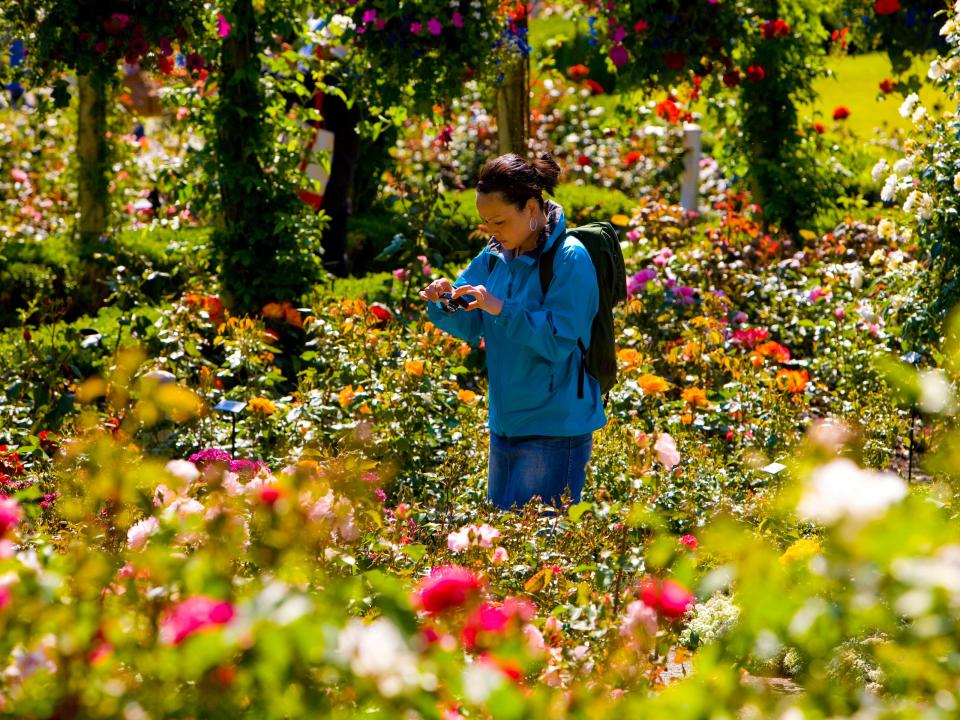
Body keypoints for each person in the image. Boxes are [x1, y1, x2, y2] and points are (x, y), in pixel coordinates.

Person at [419, 153, 606, 510]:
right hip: (506, 426)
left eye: (499, 221)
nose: (491, 231)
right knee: (503, 547)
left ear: (532, 209)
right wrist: (443, 300)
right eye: (486, 222)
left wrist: (500, 308)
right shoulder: (495, 254)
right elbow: (471, 324)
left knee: (539, 552)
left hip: (554, 429)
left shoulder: (570, 259)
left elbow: (558, 340)